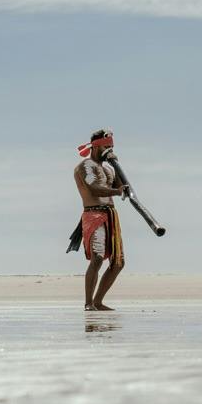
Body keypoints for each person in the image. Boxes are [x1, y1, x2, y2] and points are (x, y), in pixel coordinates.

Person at [73, 128, 128, 311]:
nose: (109, 150)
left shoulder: (108, 169)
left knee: (118, 262)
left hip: (111, 215)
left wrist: (117, 167)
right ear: (96, 147)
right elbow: (94, 189)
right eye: (106, 147)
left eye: (111, 147)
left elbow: (121, 188)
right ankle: (88, 303)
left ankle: (98, 301)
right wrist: (116, 191)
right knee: (97, 258)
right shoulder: (85, 166)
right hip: (93, 214)